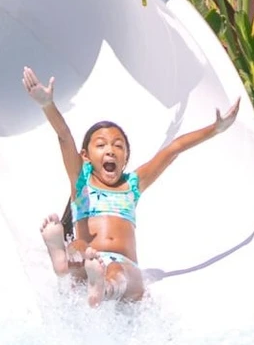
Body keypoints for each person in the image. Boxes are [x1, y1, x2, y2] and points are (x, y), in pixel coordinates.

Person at [21, 67, 240, 306]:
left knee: (122, 272)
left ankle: (102, 287)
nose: (110, 150)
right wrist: (47, 105)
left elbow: (174, 149)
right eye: (101, 145)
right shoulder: (81, 181)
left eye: (118, 146)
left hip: (121, 262)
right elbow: (64, 135)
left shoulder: (132, 185)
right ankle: (63, 262)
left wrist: (215, 129)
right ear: (85, 155)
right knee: (80, 246)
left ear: (125, 157)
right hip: (88, 259)